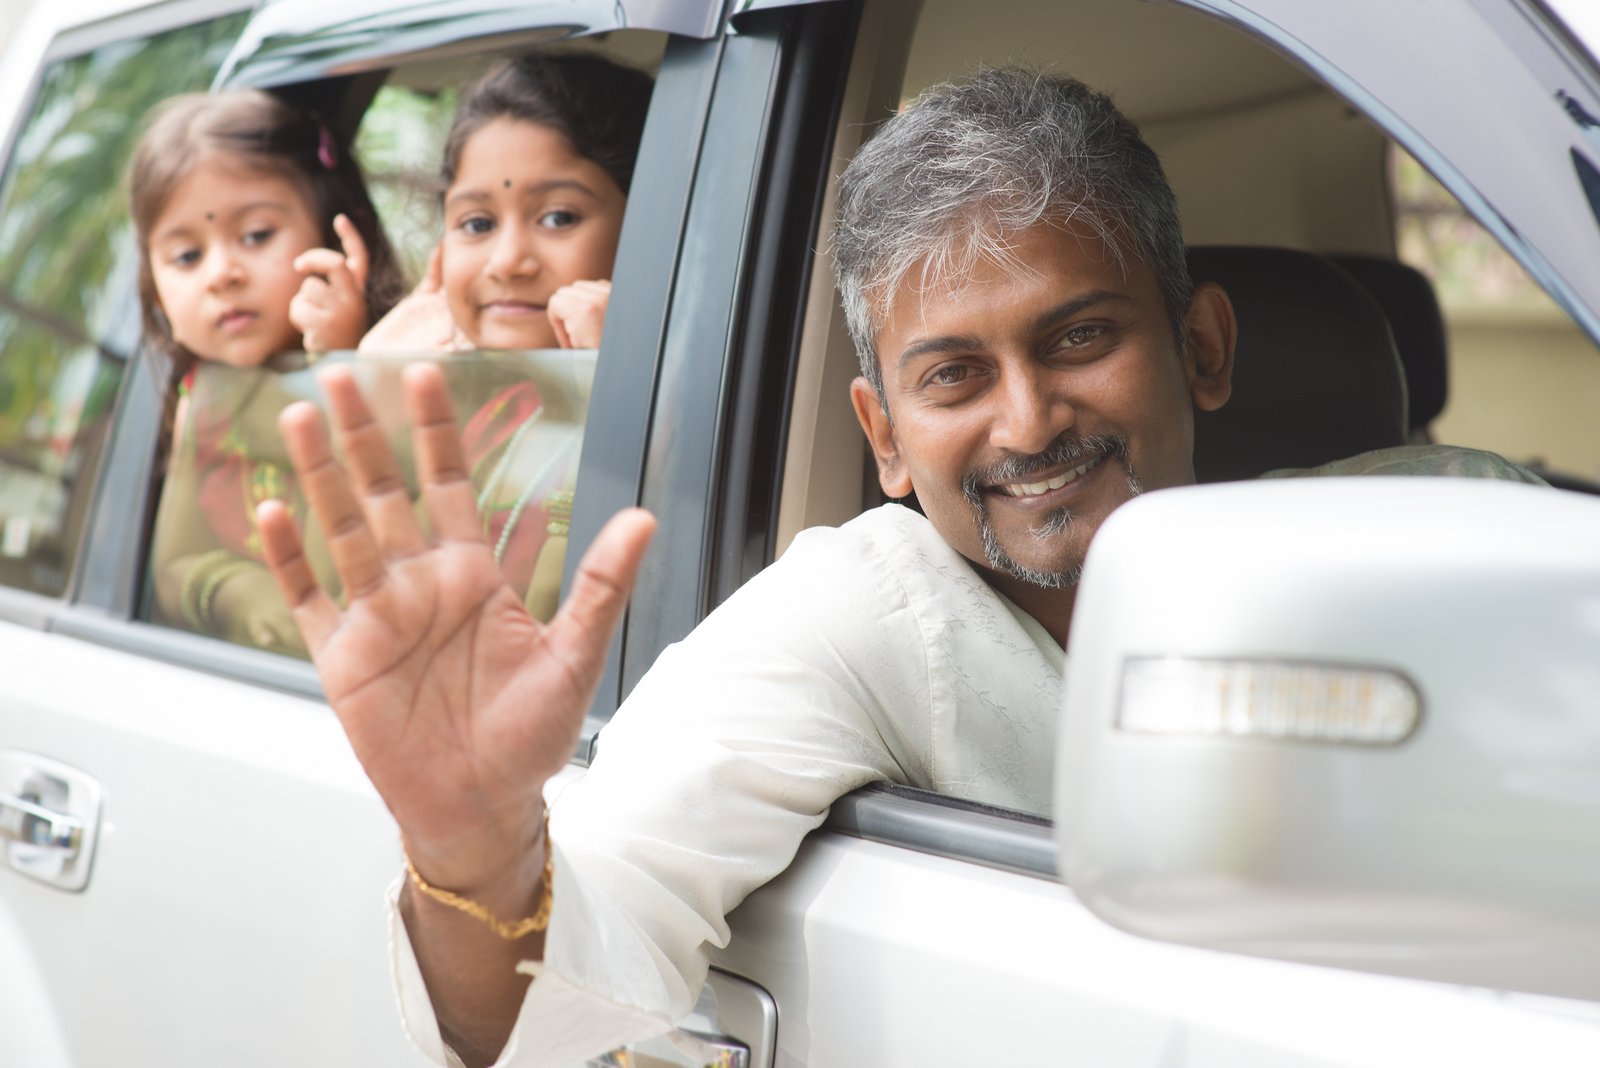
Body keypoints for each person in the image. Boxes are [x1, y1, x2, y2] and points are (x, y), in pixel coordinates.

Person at [257, 68, 1537, 1067]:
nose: (1029, 421)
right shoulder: (859, 616)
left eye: (1080, 337)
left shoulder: (1454, 532)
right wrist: (472, 848)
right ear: (883, 438)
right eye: (953, 377)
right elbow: (566, 983)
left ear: (1200, 345)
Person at [358, 52, 652, 619]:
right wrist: (375, 384)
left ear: (647, 224)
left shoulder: (676, 420)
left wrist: (607, 387)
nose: (508, 260)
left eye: (559, 217)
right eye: (478, 224)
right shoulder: (472, 410)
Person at [129, 88, 402, 652]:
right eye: (186, 256)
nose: (222, 273)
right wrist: (244, 597)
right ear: (153, 285)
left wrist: (346, 357)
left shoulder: (405, 358)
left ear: (331, 233)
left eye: (256, 236)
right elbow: (175, 567)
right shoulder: (195, 400)